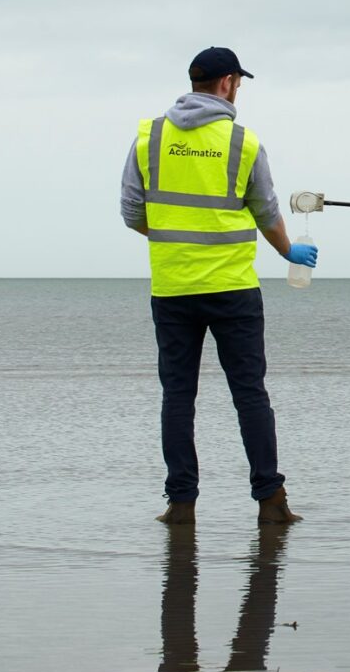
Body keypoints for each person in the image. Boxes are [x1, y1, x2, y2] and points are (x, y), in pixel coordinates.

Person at [121, 46, 317, 525]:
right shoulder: (242, 142)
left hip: (173, 288)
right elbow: (267, 211)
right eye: (239, 84)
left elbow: (131, 212)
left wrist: (173, 238)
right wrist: (287, 251)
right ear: (228, 83)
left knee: (177, 397)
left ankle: (180, 505)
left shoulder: (149, 137)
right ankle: (271, 502)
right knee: (249, 394)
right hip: (233, 288)